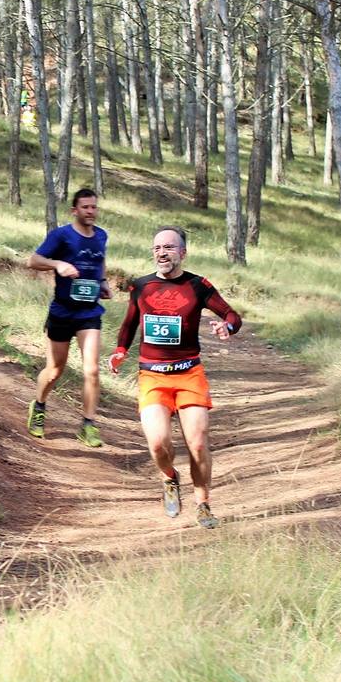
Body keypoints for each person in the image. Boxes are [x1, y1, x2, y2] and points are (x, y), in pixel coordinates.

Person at [107, 225, 242, 529]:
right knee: (158, 444)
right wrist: (119, 351)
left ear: (183, 252)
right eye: (157, 248)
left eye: (169, 247)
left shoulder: (198, 285)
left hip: (189, 374)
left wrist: (227, 328)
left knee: (197, 443)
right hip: (152, 377)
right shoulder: (141, 286)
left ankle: (203, 504)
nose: (162, 253)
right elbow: (129, 324)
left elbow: (232, 316)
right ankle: (169, 478)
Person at [26, 188, 110, 448]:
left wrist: (104, 281)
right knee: (54, 371)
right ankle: (39, 406)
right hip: (63, 311)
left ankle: (88, 425)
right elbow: (33, 260)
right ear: (75, 210)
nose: (90, 212)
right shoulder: (62, 235)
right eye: (85, 207)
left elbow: (100, 261)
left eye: (94, 207)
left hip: (89, 312)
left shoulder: (101, 236)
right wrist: (57, 265)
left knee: (92, 370)